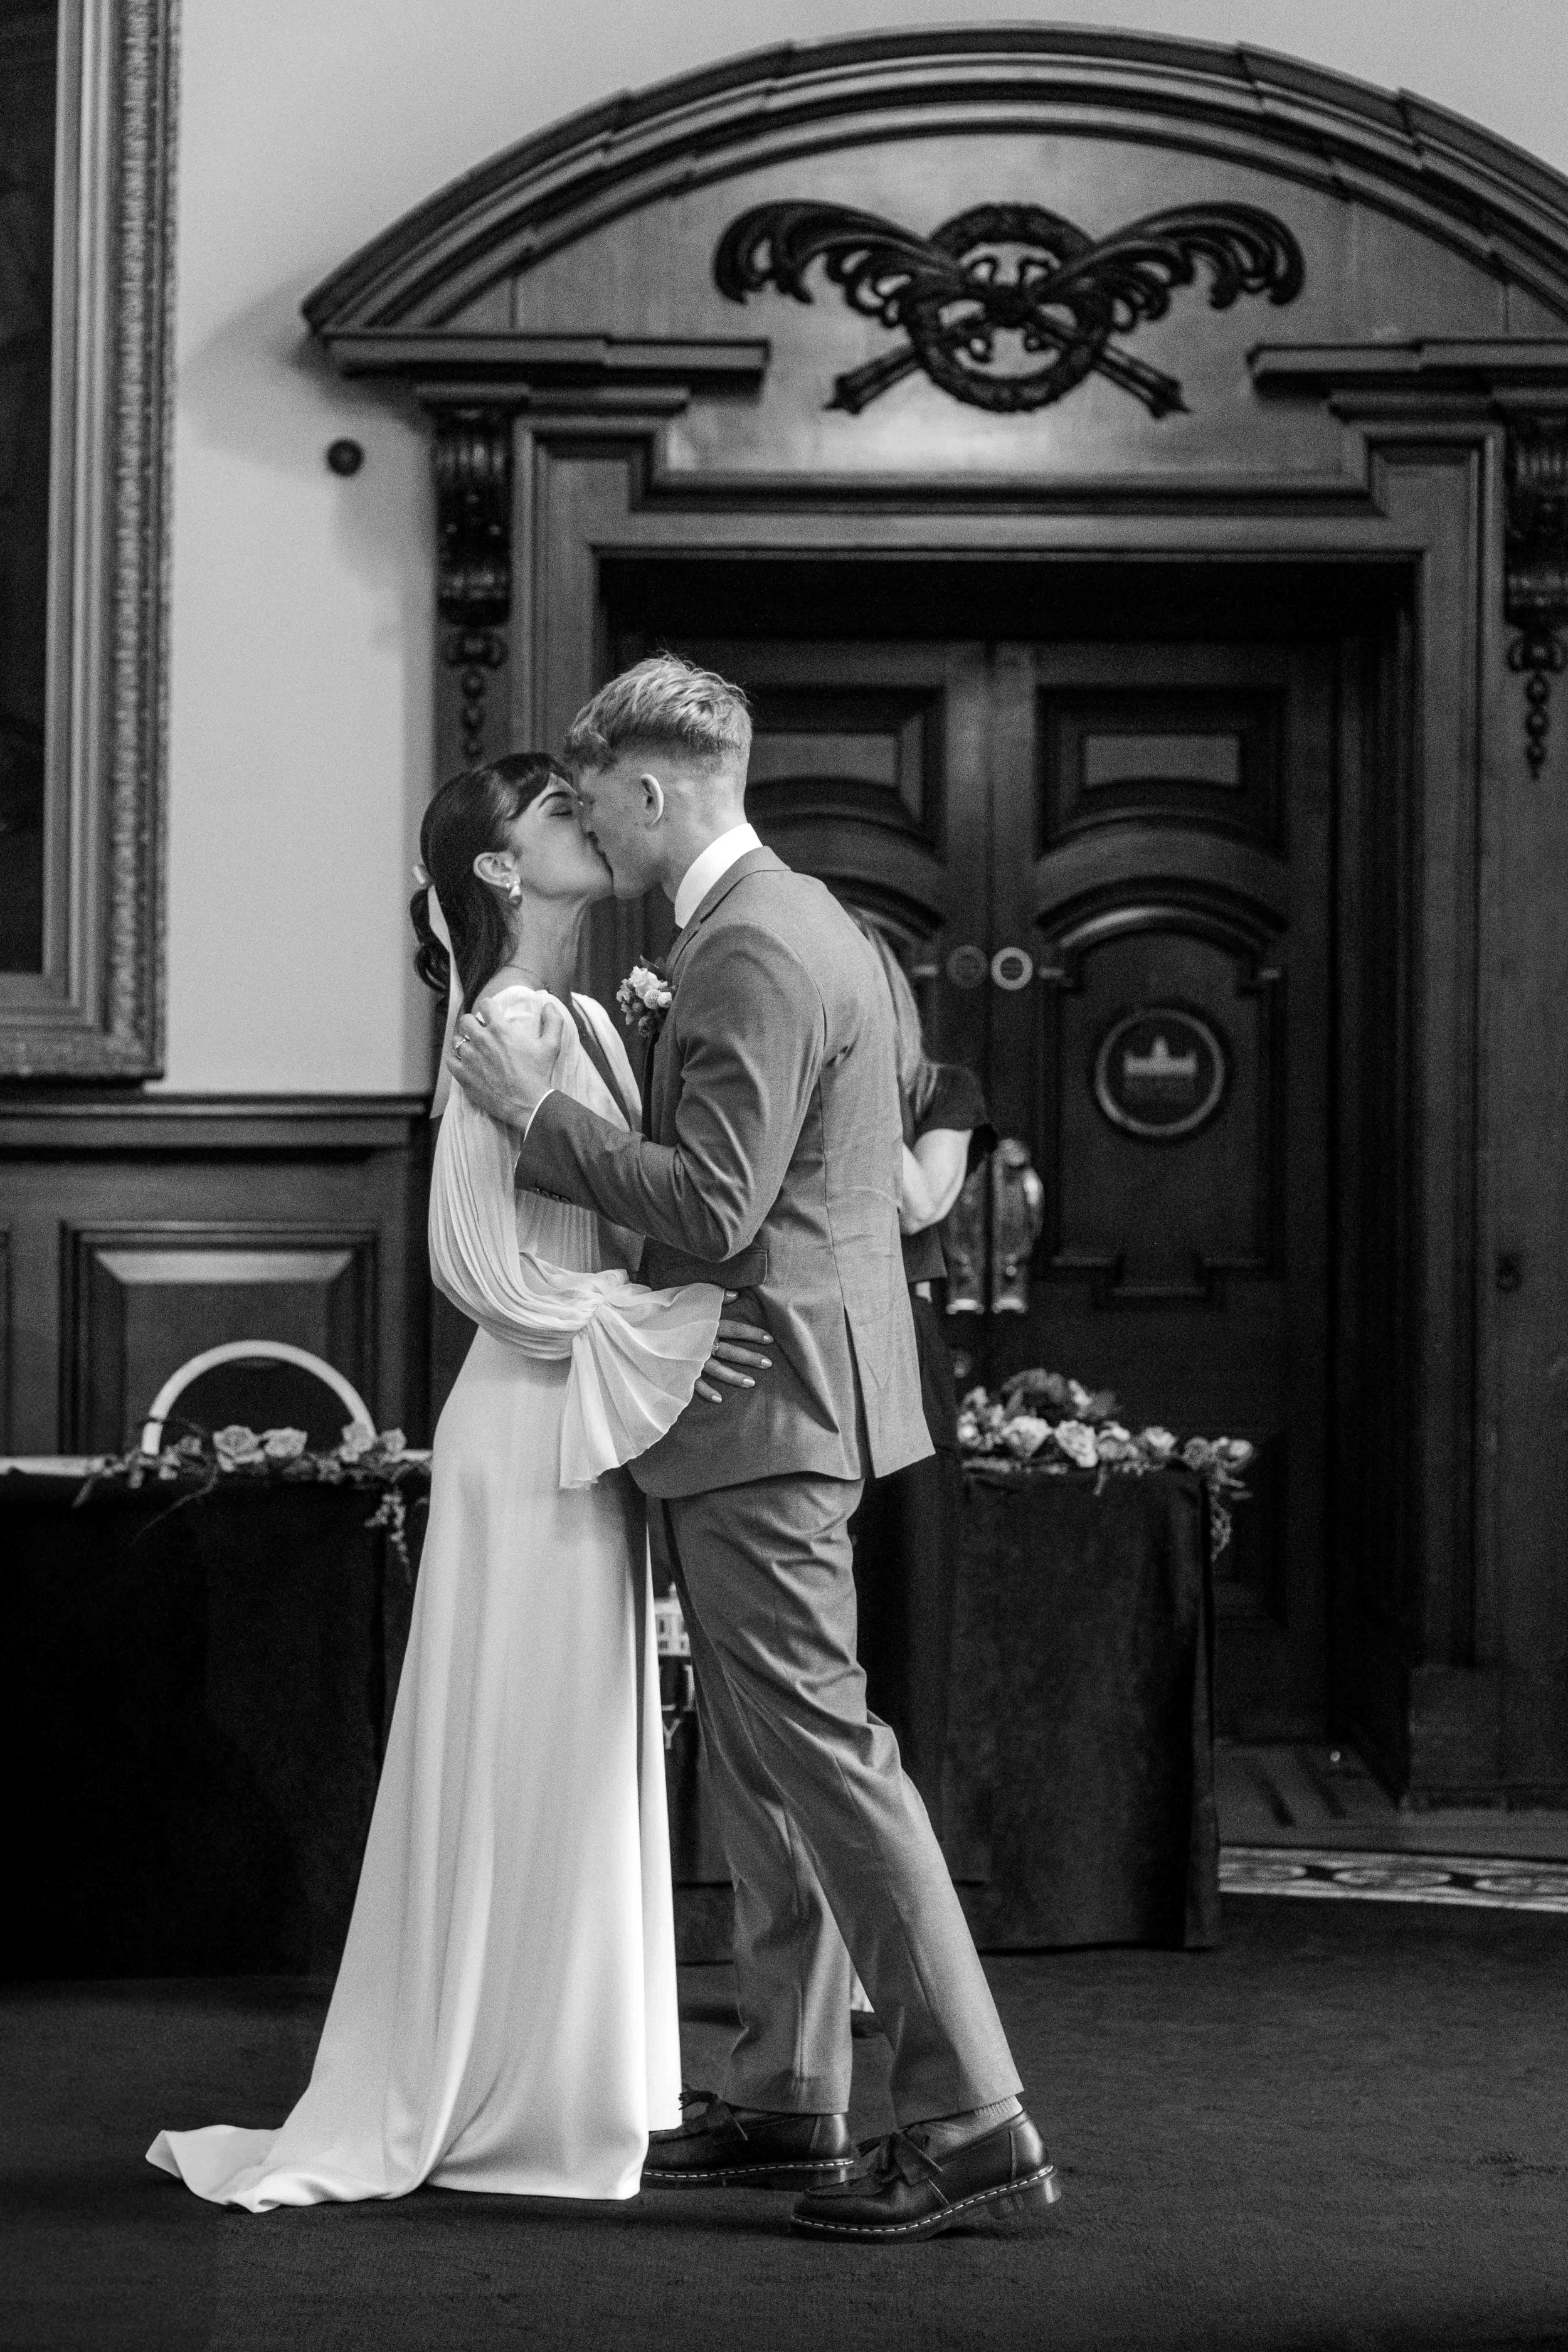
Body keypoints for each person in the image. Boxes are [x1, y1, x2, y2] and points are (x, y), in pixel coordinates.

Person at [450, 657, 1059, 2243]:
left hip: (765, 1398)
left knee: (826, 1758)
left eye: (592, 804)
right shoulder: (785, 924)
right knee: (764, 1758)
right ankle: (793, 2098)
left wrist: (539, 1113)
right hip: (771, 1393)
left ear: (651, 795)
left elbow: (716, 1212)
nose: (588, 827)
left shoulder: (751, 950)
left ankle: (975, 2117)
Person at [147, 753, 773, 2210]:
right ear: (498, 871)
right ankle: (511, 2091)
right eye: (556, 812)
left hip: (579, 1417)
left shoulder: (561, 1017)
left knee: (574, 1746)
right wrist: (658, 1326)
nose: (588, 819)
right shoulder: (503, 1019)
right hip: (532, 1419)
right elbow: (474, 1266)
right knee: (524, 1748)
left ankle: (576, 2079)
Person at [847, 916, 993, 1841]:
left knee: (906, 1623)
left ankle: (907, 1891)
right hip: (805, 1343)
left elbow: (922, 1201)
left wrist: (850, 1068)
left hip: (904, 1343)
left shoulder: (944, 1090)